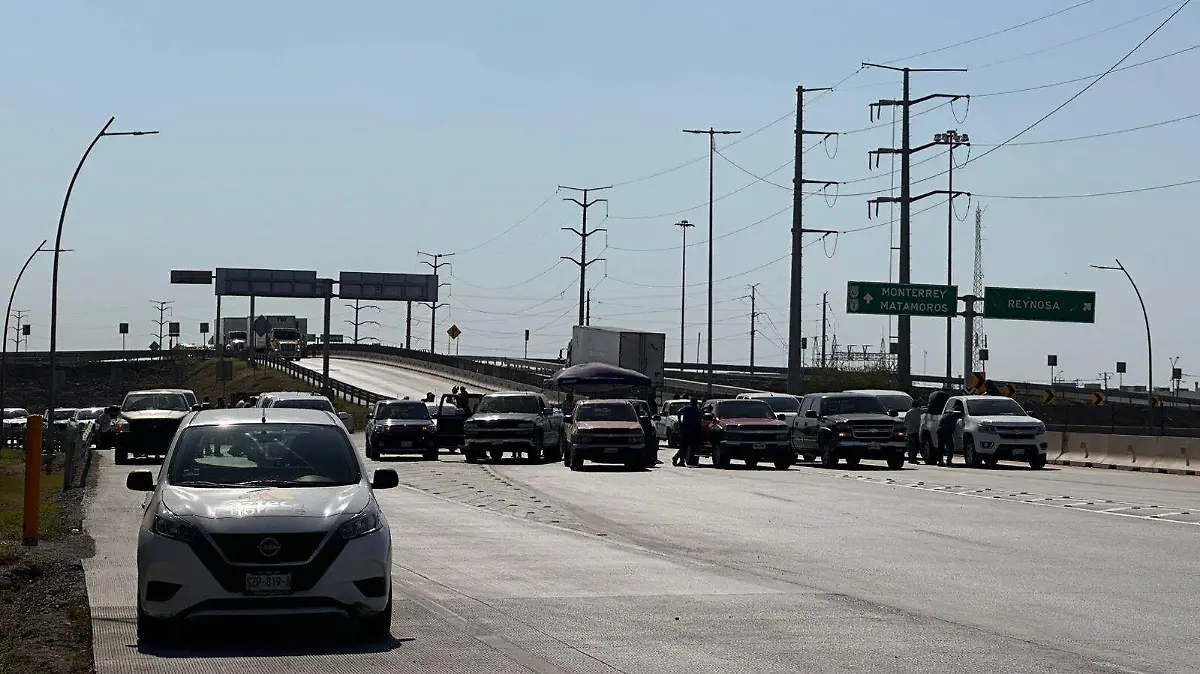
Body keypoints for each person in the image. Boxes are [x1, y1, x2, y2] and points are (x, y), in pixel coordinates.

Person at [674, 398, 702, 466]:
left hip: (688, 430)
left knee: (684, 446)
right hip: (689, 430)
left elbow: (679, 412)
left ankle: (678, 459)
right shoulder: (695, 410)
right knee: (685, 446)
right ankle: (680, 460)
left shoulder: (689, 409)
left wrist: (680, 421)